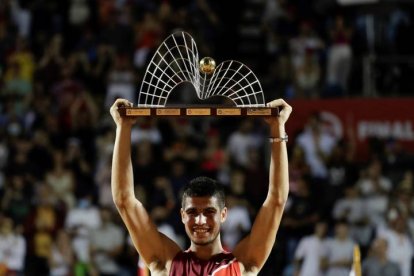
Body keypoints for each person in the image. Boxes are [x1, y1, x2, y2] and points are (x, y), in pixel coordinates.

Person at [109, 98, 292, 275]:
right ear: (182, 215)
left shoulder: (243, 266)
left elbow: (277, 200)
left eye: (209, 212)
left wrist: (278, 127)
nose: (200, 221)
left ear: (223, 214)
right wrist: (123, 128)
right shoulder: (166, 264)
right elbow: (124, 200)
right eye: (192, 212)